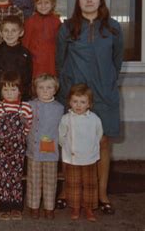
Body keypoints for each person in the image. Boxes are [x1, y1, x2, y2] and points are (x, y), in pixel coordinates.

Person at [56, 0, 123, 215]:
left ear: (100, 0)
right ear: (78, 1)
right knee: (71, 141)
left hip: (104, 93)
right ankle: (66, 190)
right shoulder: (68, 27)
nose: (89, 0)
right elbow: (60, 61)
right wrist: (68, 90)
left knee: (102, 142)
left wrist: (106, 80)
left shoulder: (113, 28)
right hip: (76, 94)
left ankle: (101, 194)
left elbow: (117, 61)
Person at [59, 84, 103, 222]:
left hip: (89, 158)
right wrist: (67, 148)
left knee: (90, 184)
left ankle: (89, 208)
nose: (78, 105)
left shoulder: (94, 119)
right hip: (72, 158)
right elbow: (61, 136)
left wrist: (91, 149)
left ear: (89, 104)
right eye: (75, 101)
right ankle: (75, 207)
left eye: (82, 102)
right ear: (69, 102)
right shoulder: (66, 118)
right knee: (73, 184)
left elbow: (98, 135)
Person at [0, 71, 32, 221]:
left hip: (18, 150)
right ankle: (4, 207)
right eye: (6, 89)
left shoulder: (25, 107)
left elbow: (27, 127)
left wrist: (19, 140)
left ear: (20, 90)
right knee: (3, 178)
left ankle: (16, 207)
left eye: (13, 89)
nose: (9, 93)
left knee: (15, 178)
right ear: (1, 90)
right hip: (2, 150)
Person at [26, 74, 64, 220]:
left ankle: (49, 207)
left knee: (50, 180)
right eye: (41, 88)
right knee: (34, 180)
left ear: (55, 90)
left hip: (51, 151)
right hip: (34, 150)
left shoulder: (59, 108)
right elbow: (24, 124)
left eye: (49, 88)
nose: (45, 91)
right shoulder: (30, 105)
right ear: (36, 89)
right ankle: (34, 206)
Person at [0, 15, 32, 101]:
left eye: (14, 30)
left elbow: (27, 80)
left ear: (21, 33)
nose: (9, 34)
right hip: (1, 99)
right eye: (6, 31)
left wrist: (23, 99)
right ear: (1, 33)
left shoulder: (25, 54)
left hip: (20, 100)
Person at [22, 0, 61, 78]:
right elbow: (25, 43)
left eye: (46, 3)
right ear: (35, 4)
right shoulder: (30, 21)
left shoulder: (57, 22)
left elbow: (60, 44)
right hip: (34, 61)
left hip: (51, 61)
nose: (43, 6)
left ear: (53, 4)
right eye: (39, 3)